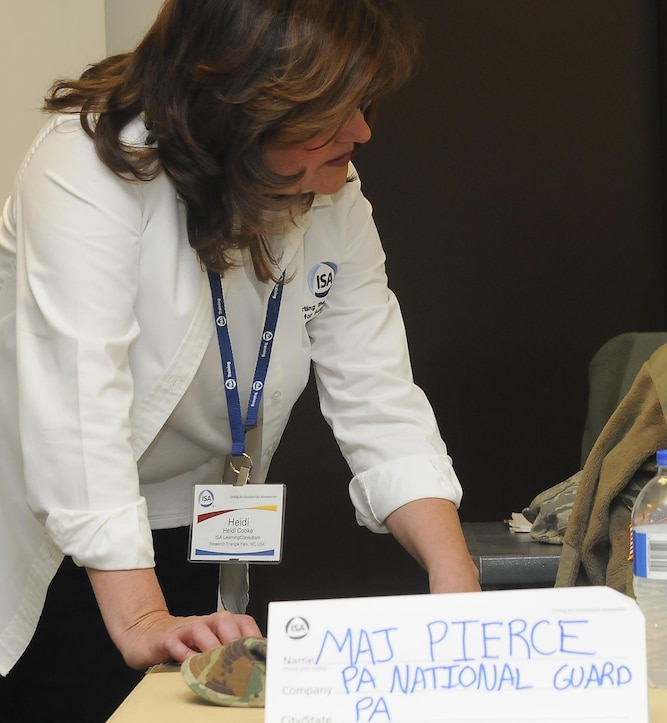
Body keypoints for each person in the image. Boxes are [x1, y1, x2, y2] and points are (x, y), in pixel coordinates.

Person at [0, 1, 480, 720]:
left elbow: (380, 397)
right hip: (63, 542)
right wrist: (140, 619)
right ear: (241, 105)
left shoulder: (333, 198)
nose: (363, 132)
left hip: (203, 528)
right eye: (333, 111)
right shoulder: (90, 164)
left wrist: (456, 578)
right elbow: (78, 409)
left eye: (363, 104)